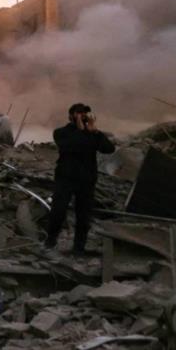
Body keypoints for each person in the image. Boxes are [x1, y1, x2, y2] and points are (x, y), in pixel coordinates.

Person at [45, 103, 116, 254]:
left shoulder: (92, 133)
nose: (82, 116)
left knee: (83, 216)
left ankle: (79, 248)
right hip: (65, 178)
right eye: (78, 113)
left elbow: (109, 149)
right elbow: (70, 146)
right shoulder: (61, 132)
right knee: (58, 211)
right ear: (70, 116)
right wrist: (80, 130)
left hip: (86, 180)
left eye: (84, 113)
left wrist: (95, 131)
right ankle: (50, 241)